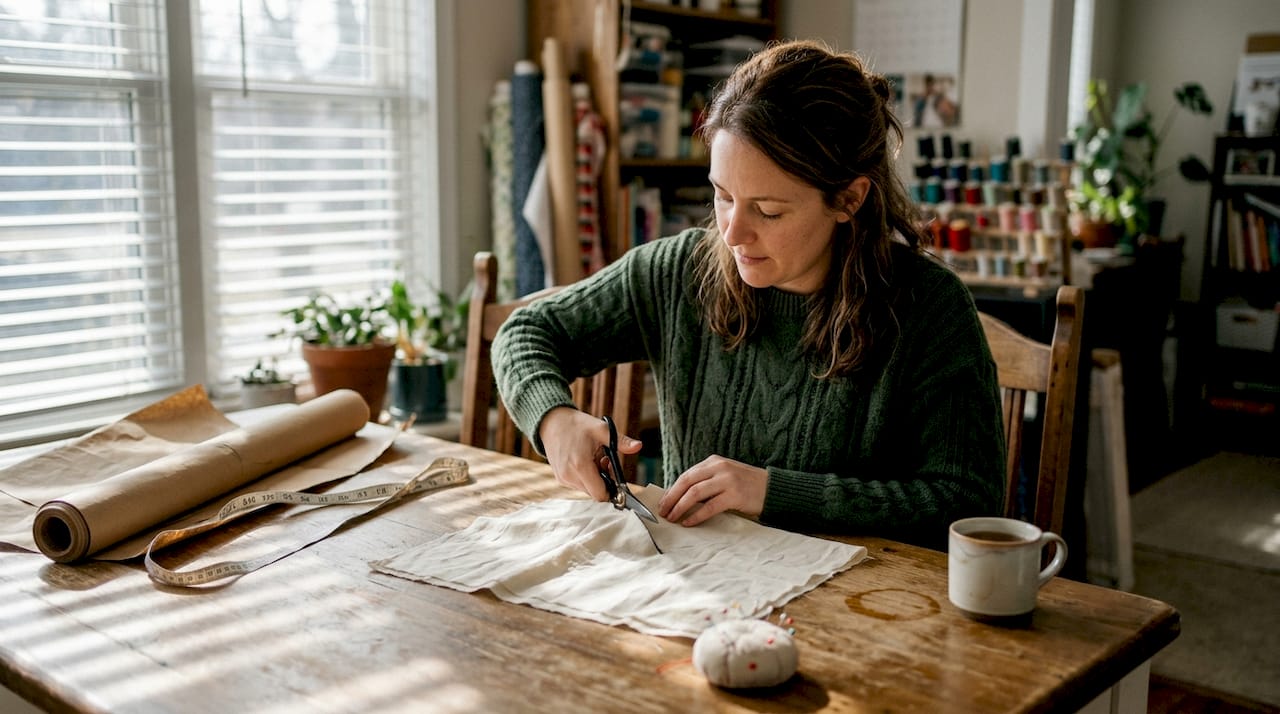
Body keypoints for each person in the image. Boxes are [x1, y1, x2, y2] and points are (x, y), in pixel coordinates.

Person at [491, 39, 1004, 549]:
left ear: (849, 198)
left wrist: (774, 492)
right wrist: (554, 420)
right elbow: (525, 331)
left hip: (865, 608)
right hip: (705, 598)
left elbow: (967, 500)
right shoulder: (679, 271)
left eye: (768, 210)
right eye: (723, 195)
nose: (733, 232)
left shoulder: (929, 308)